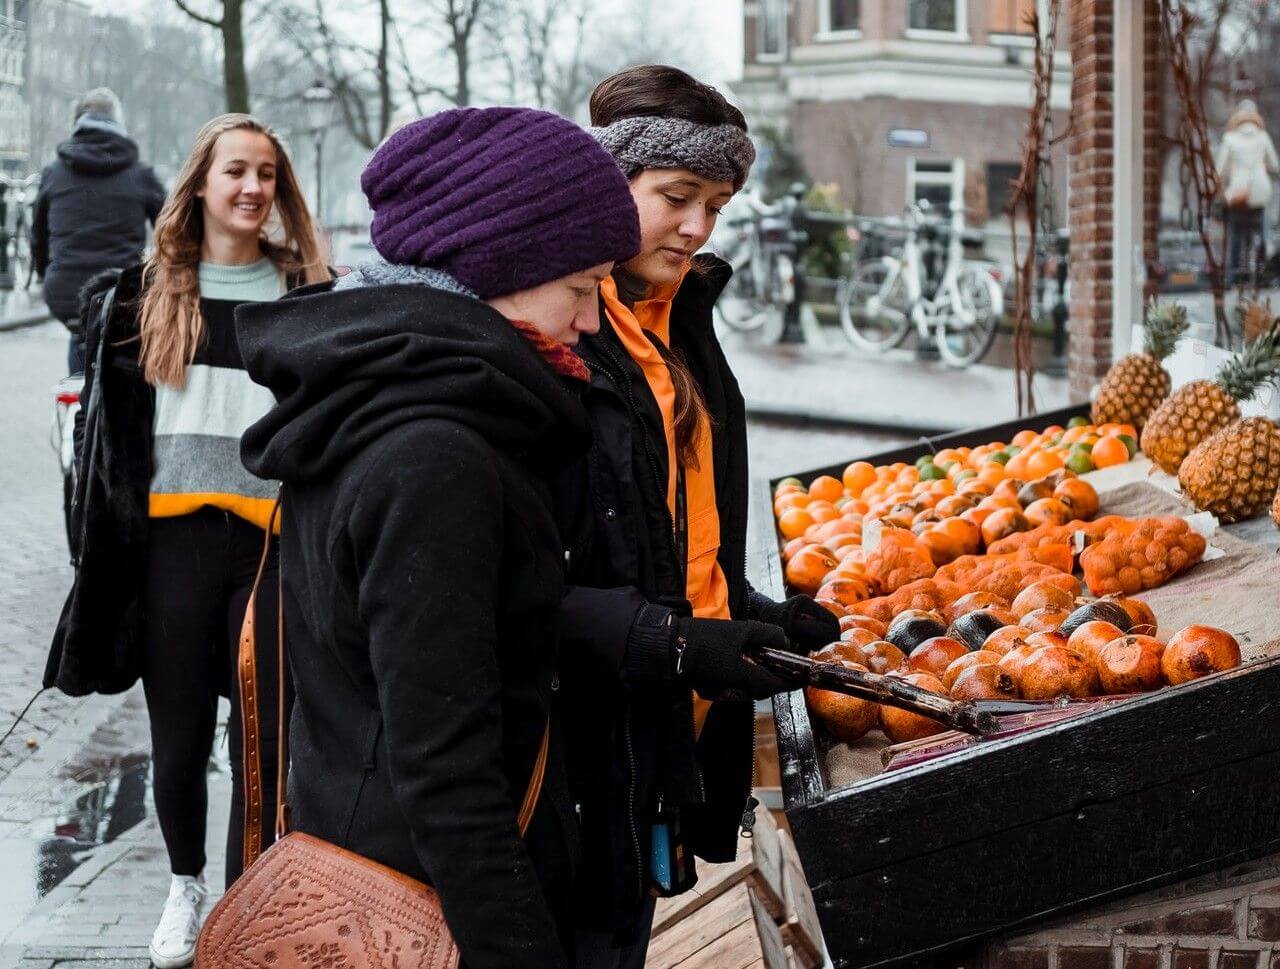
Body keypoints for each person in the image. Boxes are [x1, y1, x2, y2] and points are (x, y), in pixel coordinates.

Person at [235, 107, 641, 969]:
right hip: (419, 911)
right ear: (499, 266)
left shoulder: (380, 390)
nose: (594, 321)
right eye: (581, 286)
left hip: (366, 861)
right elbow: (447, 769)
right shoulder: (436, 454)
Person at [556, 65, 840, 968]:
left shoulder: (681, 321)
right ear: (607, 186)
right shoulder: (562, 333)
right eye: (677, 197)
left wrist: (749, 612)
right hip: (581, 748)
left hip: (662, 726)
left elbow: (672, 528)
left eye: (715, 206)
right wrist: (686, 641)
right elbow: (545, 572)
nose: (697, 226)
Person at [44, 113, 328, 969]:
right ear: (200, 182)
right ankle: (185, 887)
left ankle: (253, 897)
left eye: (267, 175)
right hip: (170, 544)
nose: (252, 189)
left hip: (270, 541)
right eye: (235, 171)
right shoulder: (141, 292)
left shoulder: (308, 292)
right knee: (174, 730)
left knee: (263, 731)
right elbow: (105, 446)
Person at [31, 87, 167, 374]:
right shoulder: (140, 175)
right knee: (121, 346)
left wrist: (46, 274)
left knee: (81, 338)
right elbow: (172, 229)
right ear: (119, 123)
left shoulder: (53, 173)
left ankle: (74, 406)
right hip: (120, 290)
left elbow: (38, 237)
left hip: (64, 292)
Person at [1215, 99, 1279, 283]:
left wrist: (1221, 189)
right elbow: (1275, 165)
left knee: (1235, 235)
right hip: (1260, 194)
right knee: (1260, 231)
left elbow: (1219, 170)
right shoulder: (1263, 137)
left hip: (1238, 194)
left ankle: (1232, 275)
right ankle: (1260, 270)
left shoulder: (1229, 138)